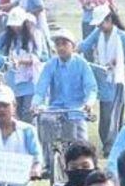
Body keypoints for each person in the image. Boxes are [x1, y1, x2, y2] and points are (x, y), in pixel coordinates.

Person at [32, 27, 98, 155]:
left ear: (73, 46)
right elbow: (41, 89)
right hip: (55, 109)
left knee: (82, 147)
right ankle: (48, 162)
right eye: (58, 44)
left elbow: (91, 88)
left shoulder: (82, 64)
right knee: (45, 123)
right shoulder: (50, 65)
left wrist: (89, 103)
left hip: (76, 110)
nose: (61, 48)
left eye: (65, 44)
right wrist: (36, 104)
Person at [81, 5, 125, 156]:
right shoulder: (98, 33)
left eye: (101, 23)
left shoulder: (122, 36)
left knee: (113, 114)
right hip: (103, 79)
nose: (99, 27)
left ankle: (111, 146)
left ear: (109, 19)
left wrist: (117, 62)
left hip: (116, 79)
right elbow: (85, 45)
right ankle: (107, 143)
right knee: (105, 114)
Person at [0, 8, 47, 121]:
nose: (15, 28)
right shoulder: (7, 36)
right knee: (14, 115)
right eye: (12, 25)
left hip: (30, 82)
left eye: (17, 25)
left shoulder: (35, 34)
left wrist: (21, 61)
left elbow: (38, 56)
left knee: (28, 114)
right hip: (13, 82)